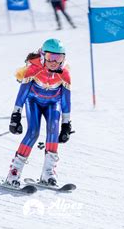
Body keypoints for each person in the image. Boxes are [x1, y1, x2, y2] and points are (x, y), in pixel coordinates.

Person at [6, 38, 74, 187]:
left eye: (59, 58)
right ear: (43, 56)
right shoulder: (33, 69)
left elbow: (65, 101)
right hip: (33, 102)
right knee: (33, 132)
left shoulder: (65, 75)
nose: (54, 62)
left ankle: (48, 172)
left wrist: (66, 125)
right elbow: (22, 94)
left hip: (53, 103)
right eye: (51, 57)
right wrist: (16, 116)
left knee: (53, 132)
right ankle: (14, 172)